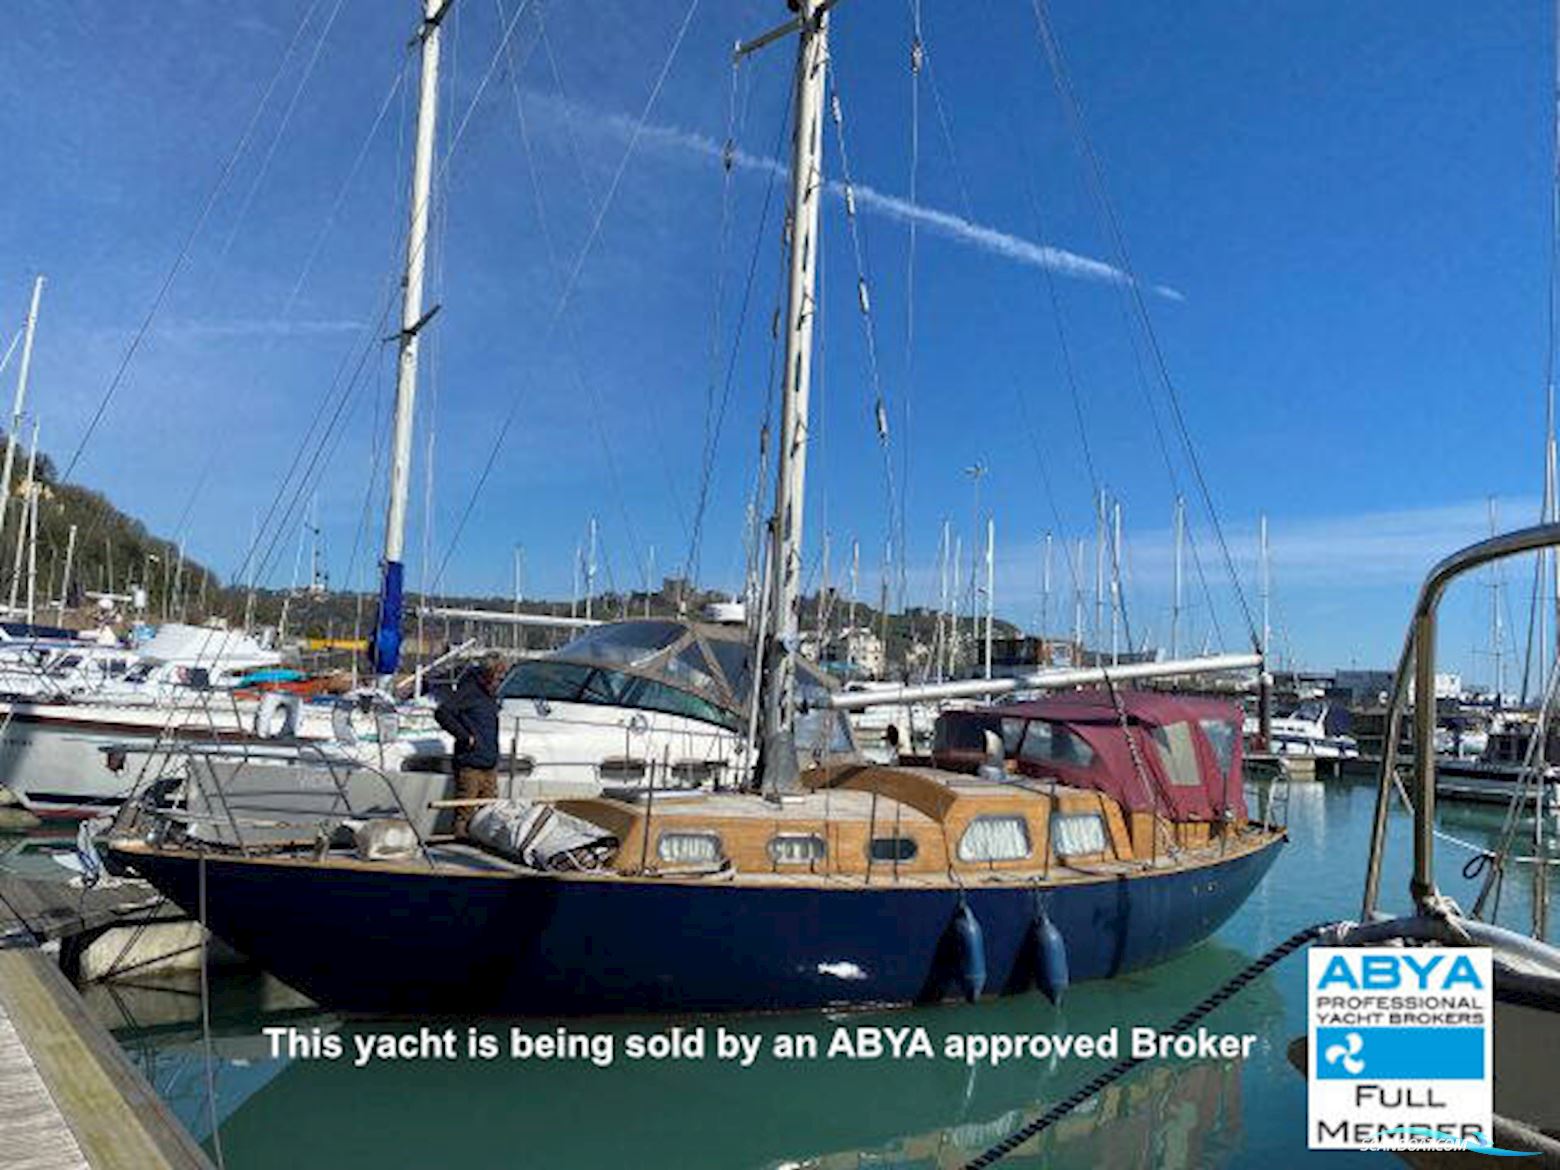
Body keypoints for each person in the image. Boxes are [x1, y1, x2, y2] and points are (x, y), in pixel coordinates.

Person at [434, 652, 506, 838]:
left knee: (488, 810)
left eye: (501, 677)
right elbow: (442, 712)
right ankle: (461, 840)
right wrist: (465, 737)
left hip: (489, 762)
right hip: (470, 763)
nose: (499, 681)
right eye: (497, 676)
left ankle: (483, 839)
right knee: (465, 810)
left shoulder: (489, 695)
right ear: (487, 674)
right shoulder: (469, 691)